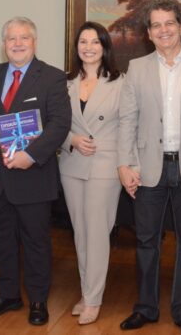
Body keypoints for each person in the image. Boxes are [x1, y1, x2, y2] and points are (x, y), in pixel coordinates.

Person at [117, 0, 181, 335]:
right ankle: (146, 308)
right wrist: (125, 163)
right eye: (156, 25)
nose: (164, 30)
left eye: (169, 23)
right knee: (147, 242)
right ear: (149, 33)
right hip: (148, 167)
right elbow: (127, 121)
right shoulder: (137, 68)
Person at [0, 17, 71, 326]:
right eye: (11, 38)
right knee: (2, 239)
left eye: (24, 38)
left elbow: (59, 124)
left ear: (34, 42)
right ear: (3, 45)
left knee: (36, 242)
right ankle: (9, 295)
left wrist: (31, 155)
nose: (17, 43)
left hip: (33, 176)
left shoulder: (52, 77)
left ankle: (38, 300)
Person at [58, 21, 123, 325]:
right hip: (72, 164)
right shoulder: (64, 83)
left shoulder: (121, 82)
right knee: (81, 233)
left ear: (104, 46)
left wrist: (129, 165)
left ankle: (94, 299)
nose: (88, 47)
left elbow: (129, 127)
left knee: (97, 233)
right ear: (77, 48)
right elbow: (53, 123)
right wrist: (70, 139)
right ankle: (86, 293)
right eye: (83, 42)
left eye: (95, 42)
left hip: (105, 165)